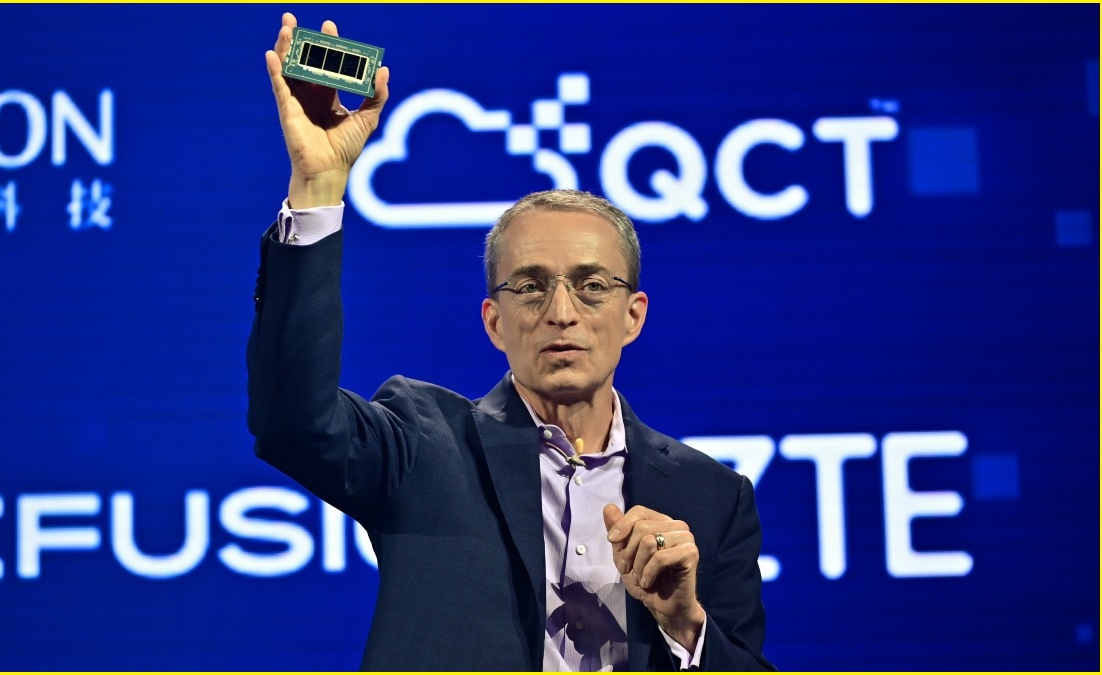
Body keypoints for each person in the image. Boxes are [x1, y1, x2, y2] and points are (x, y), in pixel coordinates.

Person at [248, 13, 774, 671]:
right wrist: (318, 188)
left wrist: (685, 624)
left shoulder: (712, 496)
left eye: (590, 286)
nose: (561, 312)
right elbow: (290, 421)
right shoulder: (425, 443)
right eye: (529, 286)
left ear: (633, 315)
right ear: (494, 321)